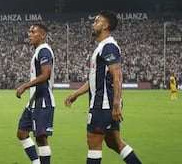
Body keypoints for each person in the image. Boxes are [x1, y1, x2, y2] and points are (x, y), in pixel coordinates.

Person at [64, 10, 142, 164]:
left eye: (97, 21)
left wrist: (115, 105)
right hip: (105, 104)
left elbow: (117, 77)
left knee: (93, 143)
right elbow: (95, 79)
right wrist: (76, 94)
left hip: (103, 105)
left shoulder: (109, 47)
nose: (93, 24)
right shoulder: (102, 47)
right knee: (114, 143)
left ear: (105, 26)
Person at [15, 24, 55, 164]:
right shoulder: (38, 51)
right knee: (22, 133)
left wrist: (24, 86)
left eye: (33, 32)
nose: (29, 34)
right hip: (33, 101)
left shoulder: (44, 50)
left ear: (42, 35)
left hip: (43, 101)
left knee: (41, 139)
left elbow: (46, 75)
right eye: (29, 31)